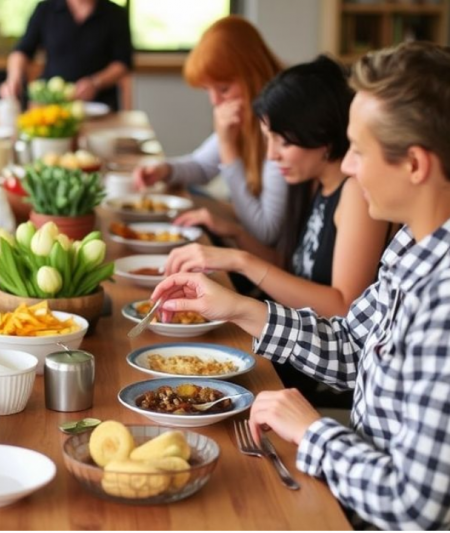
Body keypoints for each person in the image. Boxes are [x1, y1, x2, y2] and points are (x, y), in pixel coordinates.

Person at [151, 42, 450, 529]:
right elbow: (354, 345)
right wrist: (238, 308)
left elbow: (410, 507)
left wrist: (312, 432)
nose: (347, 166)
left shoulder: (443, 301)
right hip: (350, 478)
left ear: (415, 165)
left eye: (358, 149)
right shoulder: (411, 247)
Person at [164, 56, 389, 319]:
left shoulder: (355, 193)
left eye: (282, 142)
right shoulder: (314, 181)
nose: (271, 155)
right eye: (267, 139)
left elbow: (343, 306)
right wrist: (235, 233)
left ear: (321, 133)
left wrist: (241, 261)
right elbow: (290, 270)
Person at [133, 16, 287, 249]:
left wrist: (227, 146)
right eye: (208, 90)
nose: (215, 101)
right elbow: (202, 166)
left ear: (253, 75)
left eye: (224, 89)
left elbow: (264, 232)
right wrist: (165, 170)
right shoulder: (247, 117)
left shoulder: (281, 130)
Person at [0, 0, 133, 111]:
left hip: (100, 106)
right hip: (51, 105)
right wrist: (13, 77)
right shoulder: (46, 10)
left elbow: (123, 63)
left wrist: (95, 83)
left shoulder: (116, 14)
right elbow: (22, 51)